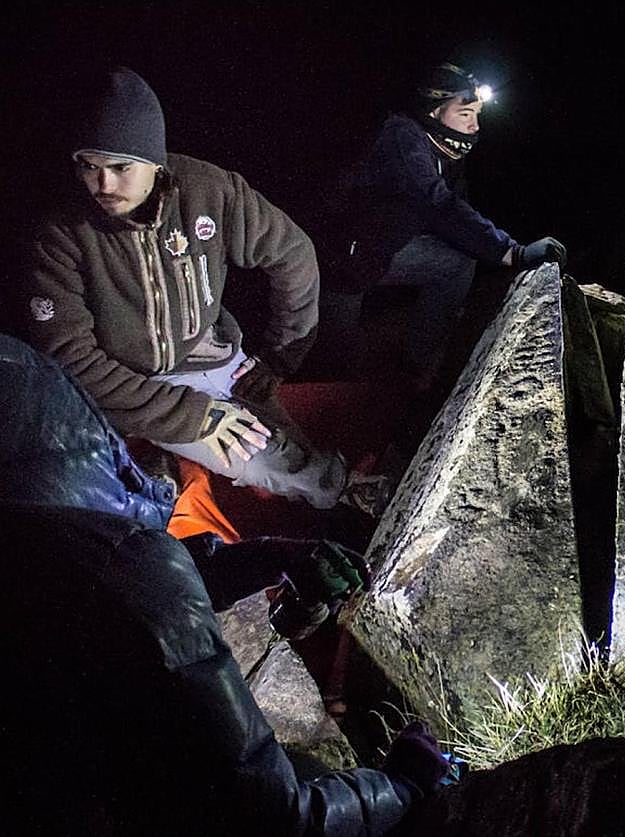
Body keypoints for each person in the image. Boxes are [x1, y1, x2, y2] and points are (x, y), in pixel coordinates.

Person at [0, 333, 451, 835]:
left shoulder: (37, 553)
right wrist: (405, 782)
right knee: (307, 775)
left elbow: (95, 590)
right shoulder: (122, 566)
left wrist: (266, 559)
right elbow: (275, 818)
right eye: (111, 455)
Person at [19, 66, 386, 513]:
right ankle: (353, 497)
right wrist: (191, 416)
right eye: (89, 167)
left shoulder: (208, 190)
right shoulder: (60, 233)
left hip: (214, 352)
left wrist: (281, 353)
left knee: (286, 436)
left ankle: (338, 489)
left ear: (155, 160)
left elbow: (292, 253)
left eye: (120, 167)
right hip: (139, 383)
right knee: (264, 456)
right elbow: (71, 359)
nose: (104, 185)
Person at [325, 61, 566, 385]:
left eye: (477, 116)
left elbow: (459, 212)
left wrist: (499, 254)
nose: (474, 126)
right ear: (434, 112)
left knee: (456, 263)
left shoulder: (444, 153)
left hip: (383, 252)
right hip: (339, 264)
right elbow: (438, 205)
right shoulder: (402, 135)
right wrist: (513, 252)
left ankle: (414, 363)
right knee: (336, 368)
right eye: (465, 114)